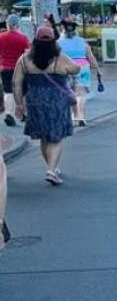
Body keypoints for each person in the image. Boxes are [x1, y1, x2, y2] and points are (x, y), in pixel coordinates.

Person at [12, 27, 81, 185]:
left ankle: (52, 167)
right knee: (56, 136)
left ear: (35, 41)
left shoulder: (24, 59)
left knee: (44, 137)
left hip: (35, 100)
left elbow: (16, 83)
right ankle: (51, 170)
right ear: (53, 41)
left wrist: (19, 104)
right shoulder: (59, 58)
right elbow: (76, 69)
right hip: (57, 101)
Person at [58, 17, 103, 127]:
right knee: (80, 93)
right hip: (83, 67)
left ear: (63, 29)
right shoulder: (83, 42)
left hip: (67, 67)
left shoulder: (58, 43)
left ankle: (74, 115)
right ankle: (80, 115)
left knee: (71, 93)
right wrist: (98, 70)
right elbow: (91, 57)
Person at [0, 14, 30, 127]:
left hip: (5, 68)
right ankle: (25, 114)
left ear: (7, 25)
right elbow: (27, 54)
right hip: (20, 68)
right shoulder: (23, 38)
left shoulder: (1, 37)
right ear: (17, 25)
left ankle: (9, 114)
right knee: (24, 92)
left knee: (8, 91)